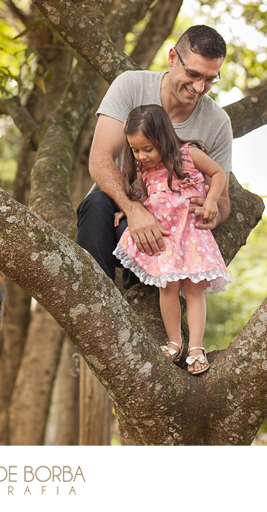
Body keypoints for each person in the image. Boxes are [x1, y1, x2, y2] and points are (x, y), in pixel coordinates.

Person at [75, 25, 233, 367]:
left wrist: (212, 211)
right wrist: (133, 209)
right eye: (192, 74)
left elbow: (223, 199)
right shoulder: (132, 85)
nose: (199, 87)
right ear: (173, 57)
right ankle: (97, 312)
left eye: (210, 79)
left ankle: (178, 335)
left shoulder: (217, 121)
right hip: (120, 216)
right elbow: (100, 160)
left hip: (176, 236)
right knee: (97, 204)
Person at [111, 105, 231, 374]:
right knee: (168, 288)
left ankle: (196, 348)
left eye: (147, 149)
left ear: (163, 137)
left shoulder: (189, 155)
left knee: (194, 290)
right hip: (167, 240)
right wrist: (130, 209)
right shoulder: (146, 171)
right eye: (135, 150)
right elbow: (150, 200)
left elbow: (219, 173)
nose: (141, 155)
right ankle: (174, 341)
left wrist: (212, 200)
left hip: (192, 235)